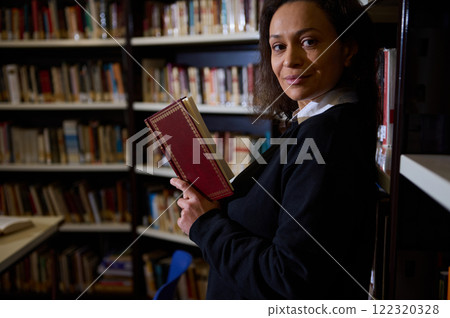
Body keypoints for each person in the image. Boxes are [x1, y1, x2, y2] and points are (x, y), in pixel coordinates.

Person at [170, 0, 379, 299]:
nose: (290, 60)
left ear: (348, 49)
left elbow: (290, 277)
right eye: (278, 46)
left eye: (309, 41)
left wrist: (205, 225)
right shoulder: (307, 124)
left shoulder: (326, 138)